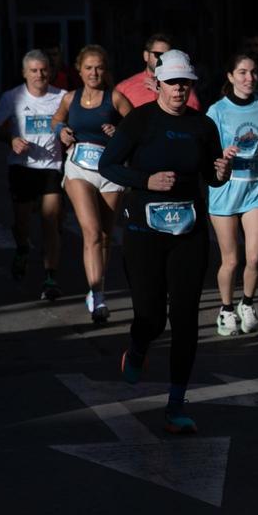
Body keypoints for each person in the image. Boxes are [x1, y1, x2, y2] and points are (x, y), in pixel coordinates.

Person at [100, 49, 234, 434]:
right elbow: (108, 165)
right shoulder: (140, 122)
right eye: (172, 82)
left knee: (186, 319)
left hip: (188, 234)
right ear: (158, 83)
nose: (179, 89)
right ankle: (139, 346)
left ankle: (176, 403)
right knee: (151, 316)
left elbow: (212, 175)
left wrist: (221, 172)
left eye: (185, 82)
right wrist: (146, 181)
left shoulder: (202, 125)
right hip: (144, 234)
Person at [51, 45, 133, 323]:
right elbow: (56, 120)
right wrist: (61, 131)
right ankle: (97, 296)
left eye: (99, 67)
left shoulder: (115, 98)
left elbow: (138, 127)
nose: (94, 72)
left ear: (105, 70)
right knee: (92, 232)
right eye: (89, 68)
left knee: (107, 236)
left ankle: (98, 288)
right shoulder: (69, 98)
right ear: (79, 70)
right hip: (79, 170)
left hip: (110, 171)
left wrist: (120, 131)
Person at [206, 53, 258, 336]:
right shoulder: (217, 111)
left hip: (255, 187)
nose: (249, 78)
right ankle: (226, 309)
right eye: (242, 73)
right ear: (230, 76)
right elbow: (204, 150)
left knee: (254, 255)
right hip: (225, 190)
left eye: (253, 72)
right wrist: (220, 154)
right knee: (231, 259)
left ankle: (247, 303)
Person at [0, 49, 67, 300]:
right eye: (33, 70)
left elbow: (74, 123)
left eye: (43, 69)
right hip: (21, 168)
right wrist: (10, 139)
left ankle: (50, 277)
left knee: (50, 220)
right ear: (24, 73)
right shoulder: (12, 97)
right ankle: (22, 248)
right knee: (22, 221)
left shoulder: (62, 97)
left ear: (51, 71)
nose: (39, 74)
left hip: (51, 168)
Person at [117, 33, 203, 112]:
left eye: (168, 55)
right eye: (158, 54)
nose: (163, 58)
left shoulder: (182, 85)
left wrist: (164, 93)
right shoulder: (124, 88)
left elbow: (192, 112)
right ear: (146, 55)